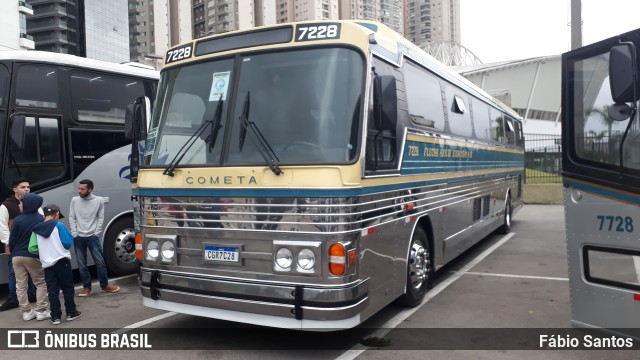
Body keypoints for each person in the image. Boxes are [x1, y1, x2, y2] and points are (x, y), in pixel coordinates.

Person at [32, 204, 82, 325]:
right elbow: (67, 243)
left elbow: (32, 248)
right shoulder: (59, 225)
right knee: (67, 287)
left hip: (47, 264)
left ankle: (55, 317)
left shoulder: (36, 229)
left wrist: (45, 250)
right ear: (57, 214)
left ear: (44, 215)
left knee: (52, 290)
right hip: (61, 260)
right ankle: (71, 312)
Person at [69, 179, 120, 296]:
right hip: (78, 237)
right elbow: (72, 217)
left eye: (82, 189)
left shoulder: (98, 200)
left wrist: (96, 232)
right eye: (79, 188)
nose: (79, 191)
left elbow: (100, 217)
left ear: (90, 189)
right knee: (82, 265)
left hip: (92, 237)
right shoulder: (74, 200)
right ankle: (87, 287)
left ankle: (105, 285)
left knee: (100, 262)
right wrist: (74, 233)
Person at [8, 193, 49, 321]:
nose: (19, 205)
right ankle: (41, 310)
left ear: (27, 204)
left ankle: (26, 312)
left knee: (21, 285)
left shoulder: (18, 220)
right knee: (40, 282)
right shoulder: (41, 218)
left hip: (17, 257)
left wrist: (15, 250)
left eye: (21, 203)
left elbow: (12, 239)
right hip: (32, 255)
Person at [0, 178, 37, 311]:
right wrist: (9, 243)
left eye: (28, 187)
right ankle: (13, 299)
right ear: (15, 189)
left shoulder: (32, 202)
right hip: (16, 245)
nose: (27, 189)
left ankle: (32, 295)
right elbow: (2, 227)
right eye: (23, 187)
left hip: (32, 243)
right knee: (14, 273)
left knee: (34, 270)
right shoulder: (6, 205)